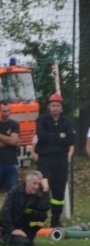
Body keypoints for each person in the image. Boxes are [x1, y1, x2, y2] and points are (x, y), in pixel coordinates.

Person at [34, 93, 75, 227]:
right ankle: (38, 217)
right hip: (45, 159)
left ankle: (56, 219)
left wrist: (52, 138)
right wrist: (60, 136)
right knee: (42, 187)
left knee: (59, 190)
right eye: (53, 105)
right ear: (49, 107)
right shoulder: (41, 120)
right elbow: (41, 136)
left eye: (58, 106)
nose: (55, 108)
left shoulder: (67, 122)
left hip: (61, 160)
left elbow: (71, 139)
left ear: (61, 108)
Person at [0, 171, 50, 246]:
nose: (36, 187)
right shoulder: (15, 192)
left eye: (39, 184)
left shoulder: (37, 195)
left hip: (25, 227)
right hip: (11, 227)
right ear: (27, 182)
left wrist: (46, 190)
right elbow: (4, 212)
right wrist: (13, 229)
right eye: (34, 183)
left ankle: (29, 237)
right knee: (24, 242)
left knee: (41, 214)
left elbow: (45, 207)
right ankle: (6, 239)